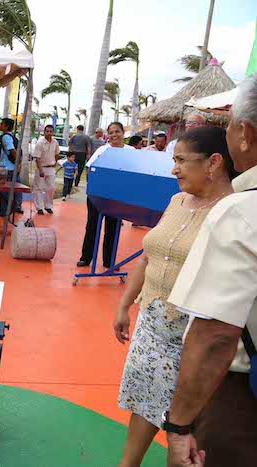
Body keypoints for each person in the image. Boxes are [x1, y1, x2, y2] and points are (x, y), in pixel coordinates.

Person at [112, 127, 238, 467]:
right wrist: (125, 305)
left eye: (182, 160)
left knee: (183, 424)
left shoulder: (232, 212)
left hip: (193, 336)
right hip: (151, 326)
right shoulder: (177, 201)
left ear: (213, 163)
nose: (174, 169)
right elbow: (148, 257)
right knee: (144, 403)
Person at [165, 75, 257, 467]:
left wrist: (179, 426)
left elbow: (216, 335)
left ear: (245, 134)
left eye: (231, 125)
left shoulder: (240, 211)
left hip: (241, 400)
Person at [77, 122, 132, 268]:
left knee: (112, 228)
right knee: (92, 226)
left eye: (117, 131)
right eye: (111, 132)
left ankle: (109, 261)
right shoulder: (102, 150)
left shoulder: (131, 151)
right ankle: (86, 258)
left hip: (117, 197)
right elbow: (90, 169)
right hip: (97, 195)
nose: (114, 135)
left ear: (123, 133)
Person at [32, 124, 59, 215]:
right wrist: (40, 170)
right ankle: (39, 207)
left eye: (51, 131)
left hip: (51, 168)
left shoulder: (55, 142)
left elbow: (57, 153)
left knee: (51, 188)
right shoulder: (40, 143)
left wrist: (55, 162)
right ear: (44, 132)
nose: (49, 133)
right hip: (42, 167)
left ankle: (48, 206)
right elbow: (37, 157)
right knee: (38, 188)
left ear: (53, 132)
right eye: (47, 131)